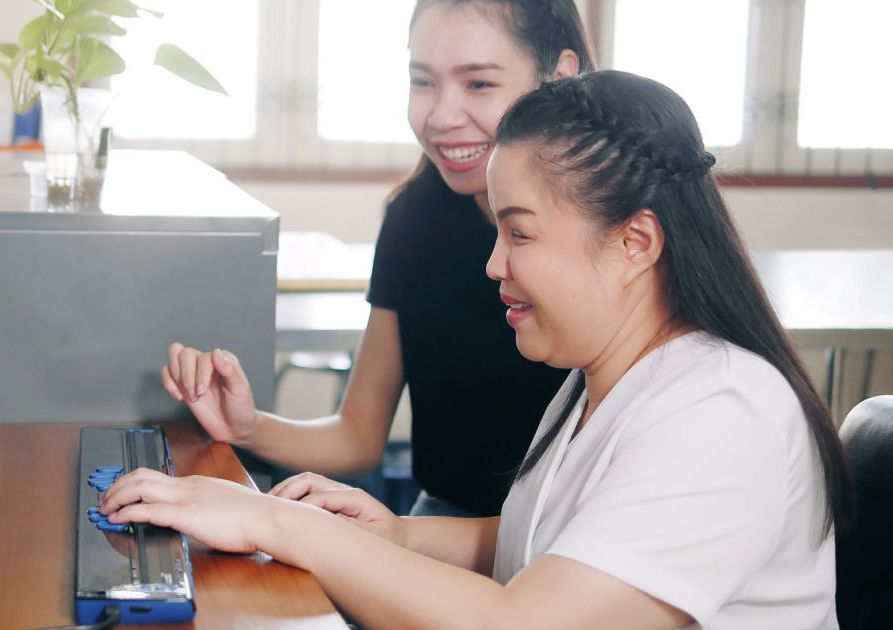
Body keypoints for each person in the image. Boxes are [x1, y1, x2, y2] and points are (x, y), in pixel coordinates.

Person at [102, 70, 852, 628]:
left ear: (634, 243)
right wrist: (393, 531)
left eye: (519, 233)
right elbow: (555, 542)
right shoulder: (607, 375)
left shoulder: (722, 411)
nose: (494, 264)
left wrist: (275, 522)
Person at [162, 0, 594, 518]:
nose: (441, 116)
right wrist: (246, 426)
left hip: (575, 538)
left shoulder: (612, 230)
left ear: (559, 76)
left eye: (478, 84)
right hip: (445, 517)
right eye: (423, 82)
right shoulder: (415, 218)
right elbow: (358, 436)